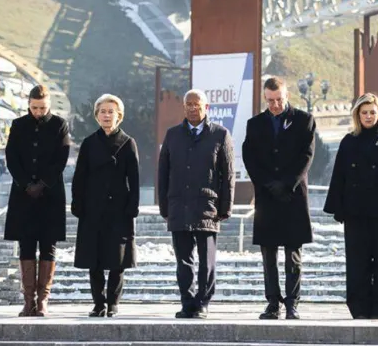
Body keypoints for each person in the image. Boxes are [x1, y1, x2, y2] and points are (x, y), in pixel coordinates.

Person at [324, 93, 378, 319]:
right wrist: (338, 208)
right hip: (356, 213)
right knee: (357, 263)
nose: (369, 116)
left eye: (372, 112)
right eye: (364, 112)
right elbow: (339, 176)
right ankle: (360, 310)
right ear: (357, 115)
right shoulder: (348, 141)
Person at [241, 77, 316, 320]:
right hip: (266, 196)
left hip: (293, 196)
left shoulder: (304, 120)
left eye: (279, 100)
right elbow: (249, 157)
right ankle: (273, 302)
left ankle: (292, 302)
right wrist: (266, 183)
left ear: (287, 96)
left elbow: (306, 155)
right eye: (270, 100)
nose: (274, 105)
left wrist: (286, 183)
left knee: (293, 253)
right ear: (265, 98)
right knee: (268, 253)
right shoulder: (255, 124)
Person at [158, 89, 234, 319]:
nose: (192, 108)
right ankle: (187, 301)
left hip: (207, 207)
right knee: (183, 260)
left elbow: (227, 175)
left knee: (206, 260)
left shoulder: (220, 135)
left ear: (206, 108)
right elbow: (163, 173)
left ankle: (203, 302)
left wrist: (225, 208)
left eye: (197, 104)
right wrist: (164, 207)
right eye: (188, 104)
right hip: (178, 206)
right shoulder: (172, 135)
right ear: (184, 107)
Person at [2, 85, 71, 317]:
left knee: (49, 245)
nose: (38, 112)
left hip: (50, 194)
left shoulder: (59, 124)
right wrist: (26, 184)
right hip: (23, 195)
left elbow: (61, 158)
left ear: (49, 104)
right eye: (34, 108)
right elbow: (11, 157)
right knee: (26, 245)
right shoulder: (19, 124)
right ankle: (28, 300)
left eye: (42, 108)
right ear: (28, 104)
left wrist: (42, 184)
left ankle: (43, 300)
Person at [72, 94, 141, 318]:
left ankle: (113, 302)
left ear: (119, 116)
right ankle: (98, 302)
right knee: (95, 258)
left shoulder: (128, 143)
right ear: (96, 115)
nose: (107, 115)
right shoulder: (90, 143)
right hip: (93, 208)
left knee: (117, 259)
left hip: (119, 210)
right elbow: (80, 176)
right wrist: (77, 202)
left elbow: (135, 179)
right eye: (103, 111)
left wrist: (133, 206)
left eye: (111, 111)